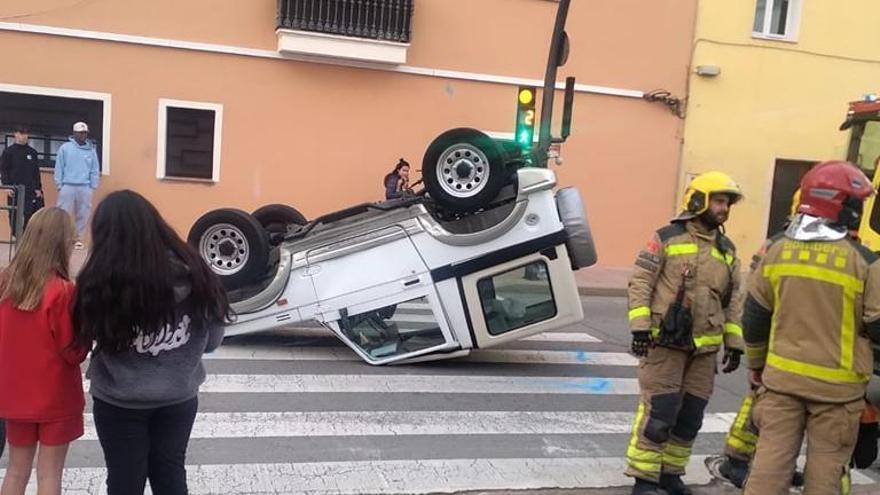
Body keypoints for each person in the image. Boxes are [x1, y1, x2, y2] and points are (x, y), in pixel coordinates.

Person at [72, 190, 231, 494]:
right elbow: (212, 341)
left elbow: (82, 339)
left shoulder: (100, 281)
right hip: (178, 398)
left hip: (118, 401)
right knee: (170, 476)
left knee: (123, 481)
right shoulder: (196, 272)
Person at [743, 160, 880, 494]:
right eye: (856, 204)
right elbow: (878, 329)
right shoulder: (866, 263)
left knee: (768, 468)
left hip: (781, 384)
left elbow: (754, 319)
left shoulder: (775, 251)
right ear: (841, 207)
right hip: (839, 393)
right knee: (826, 474)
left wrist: (758, 367)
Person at [625, 171, 746, 495]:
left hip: (704, 351)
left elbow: (734, 300)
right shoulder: (667, 237)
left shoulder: (727, 249)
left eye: (727, 203)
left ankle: (670, 473)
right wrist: (640, 328)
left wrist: (734, 343)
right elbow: (640, 283)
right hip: (666, 344)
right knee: (659, 412)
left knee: (690, 417)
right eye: (719, 201)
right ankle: (644, 478)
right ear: (698, 200)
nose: (724, 209)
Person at [0, 207, 87, 495]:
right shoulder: (62, 292)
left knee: (15, 470)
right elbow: (73, 352)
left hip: (14, 394)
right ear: (61, 245)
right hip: (55, 396)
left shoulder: (5, 284)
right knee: (49, 475)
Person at [55, 121, 100, 249]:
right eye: (80, 133)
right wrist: (59, 184)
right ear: (74, 133)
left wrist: (92, 186)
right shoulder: (65, 148)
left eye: (85, 133)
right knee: (63, 213)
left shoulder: (91, 150)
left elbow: (94, 169)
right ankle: (62, 238)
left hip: (85, 187)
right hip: (67, 185)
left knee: (83, 213)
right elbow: (59, 167)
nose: (83, 135)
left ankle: (78, 238)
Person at [0, 125, 44, 235]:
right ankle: (17, 237)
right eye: (21, 133)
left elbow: (36, 172)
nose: (23, 136)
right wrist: (7, 186)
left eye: (25, 133)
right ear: (15, 134)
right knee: (14, 215)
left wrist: (38, 188)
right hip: (14, 190)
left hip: (30, 190)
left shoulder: (32, 152)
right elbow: (4, 170)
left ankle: (27, 237)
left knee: (30, 216)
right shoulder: (8, 152)